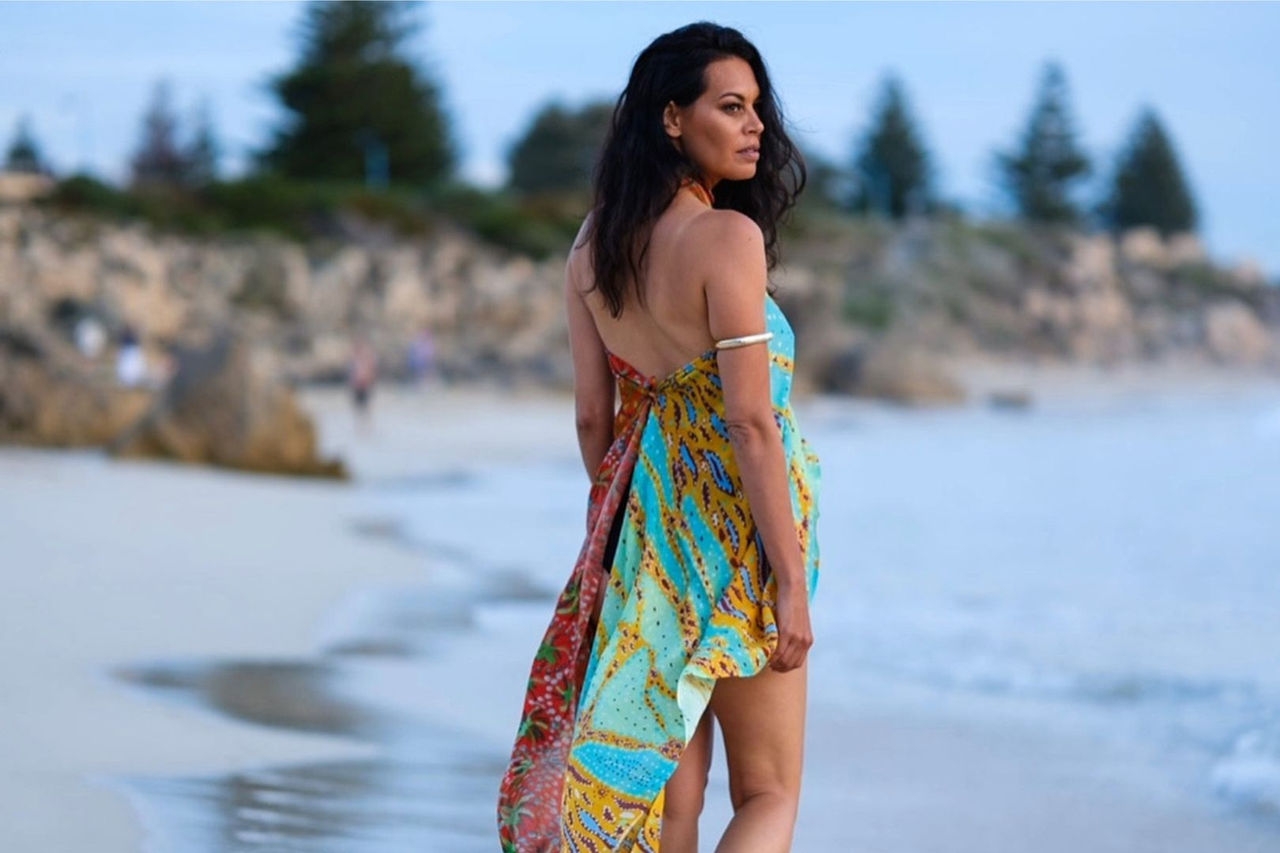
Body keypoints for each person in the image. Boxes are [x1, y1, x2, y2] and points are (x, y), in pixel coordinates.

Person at [498, 21, 821, 853]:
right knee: (770, 792)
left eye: (757, 108)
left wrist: (616, 538)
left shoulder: (591, 245)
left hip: (643, 540)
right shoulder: (727, 239)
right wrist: (788, 579)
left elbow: (590, 418)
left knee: (672, 803)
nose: (754, 126)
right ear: (672, 119)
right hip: (738, 542)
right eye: (730, 106)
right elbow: (749, 422)